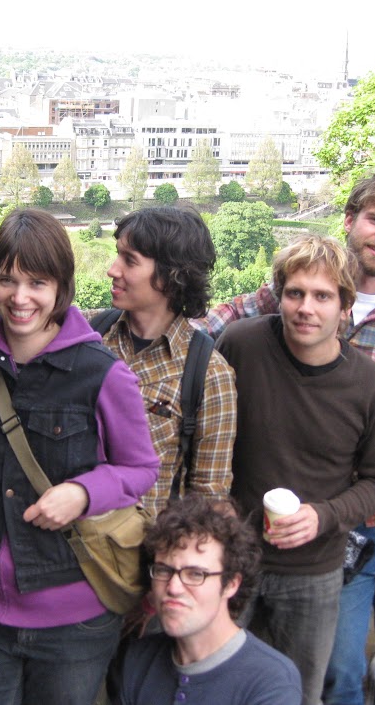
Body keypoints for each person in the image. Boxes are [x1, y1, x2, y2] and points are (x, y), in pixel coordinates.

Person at [199, 167, 375, 705]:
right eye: (374, 219)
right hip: (331, 529)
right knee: (335, 673)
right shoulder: (281, 303)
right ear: (350, 219)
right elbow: (214, 325)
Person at [0, 208, 158, 705]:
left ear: (61, 285)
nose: (20, 298)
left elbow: (141, 468)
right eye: (7, 280)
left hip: (74, 619)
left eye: (37, 282)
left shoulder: (102, 373)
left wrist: (82, 493)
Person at [214, 233, 375, 705]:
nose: (305, 308)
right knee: (216, 688)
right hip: (233, 558)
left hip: (313, 572)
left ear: (345, 307)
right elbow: (206, 432)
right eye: (295, 293)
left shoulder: (368, 385)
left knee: (296, 693)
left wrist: (323, 515)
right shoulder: (242, 345)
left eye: (322, 296)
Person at [101, 206, 237, 516]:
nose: (113, 270)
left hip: (143, 541)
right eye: (117, 254)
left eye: (130, 260)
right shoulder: (95, 335)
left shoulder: (208, 373)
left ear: (171, 275)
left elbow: (209, 497)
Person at [112, 495, 302, 705]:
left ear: (231, 584)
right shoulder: (137, 659)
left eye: (195, 574)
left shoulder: (271, 682)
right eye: (164, 570)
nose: (173, 587)